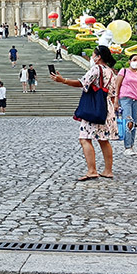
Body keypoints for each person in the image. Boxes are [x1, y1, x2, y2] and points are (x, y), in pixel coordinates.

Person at [50, 45, 118, 181]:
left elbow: (82, 83)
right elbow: (113, 93)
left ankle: (92, 170)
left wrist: (63, 80)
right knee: (104, 140)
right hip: (107, 108)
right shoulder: (111, 72)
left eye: (94, 55)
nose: (92, 57)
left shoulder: (96, 69)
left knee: (84, 138)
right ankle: (108, 170)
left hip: (94, 108)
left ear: (98, 57)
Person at [114, 54, 137, 156]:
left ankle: (131, 146)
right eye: (134, 60)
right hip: (125, 98)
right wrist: (116, 100)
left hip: (135, 100)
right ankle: (127, 147)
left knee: (134, 123)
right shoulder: (124, 71)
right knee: (128, 122)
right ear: (129, 61)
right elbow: (117, 85)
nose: (136, 62)